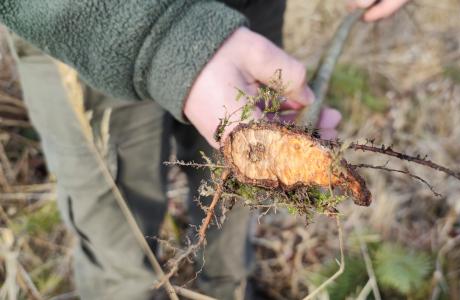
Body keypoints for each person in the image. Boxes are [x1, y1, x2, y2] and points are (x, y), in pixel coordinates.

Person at [0, 0, 410, 299]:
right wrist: (162, 37)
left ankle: (228, 289)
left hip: (244, 13)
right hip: (88, 28)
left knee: (239, 191)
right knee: (119, 249)